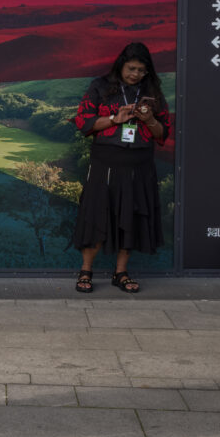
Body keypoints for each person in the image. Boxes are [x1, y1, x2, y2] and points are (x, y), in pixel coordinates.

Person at [71, 42, 170, 294]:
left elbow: (162, 134)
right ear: (121, 65)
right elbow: (84, 122)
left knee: (132, 217)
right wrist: (115, 119)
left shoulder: (153, 92)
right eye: (131, 68)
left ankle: (121, 273)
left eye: (141, 70)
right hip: (105, 164)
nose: (136, 74)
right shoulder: (100, 86)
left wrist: (149, 119)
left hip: (140, 166)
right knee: (96, 216)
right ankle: (86, 271)